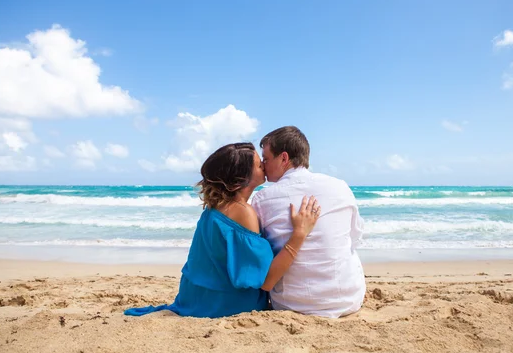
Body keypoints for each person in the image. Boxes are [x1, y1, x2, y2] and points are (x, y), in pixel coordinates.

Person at [124, 142, 321, 318]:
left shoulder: (214, 206)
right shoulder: (244, 212)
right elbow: (267, 282)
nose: (263, 163)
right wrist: (299, 234)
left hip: (194, 297)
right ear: (242, 176)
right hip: (225, 305)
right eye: (258, 164)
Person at [251, 126, 366, 318]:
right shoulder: (340, 187)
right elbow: (355, 238)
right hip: (347, 300)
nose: (263, 165)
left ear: (284, 158)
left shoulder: (262, 199)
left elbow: (260, 254)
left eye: (266, 158)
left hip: (291, 304)